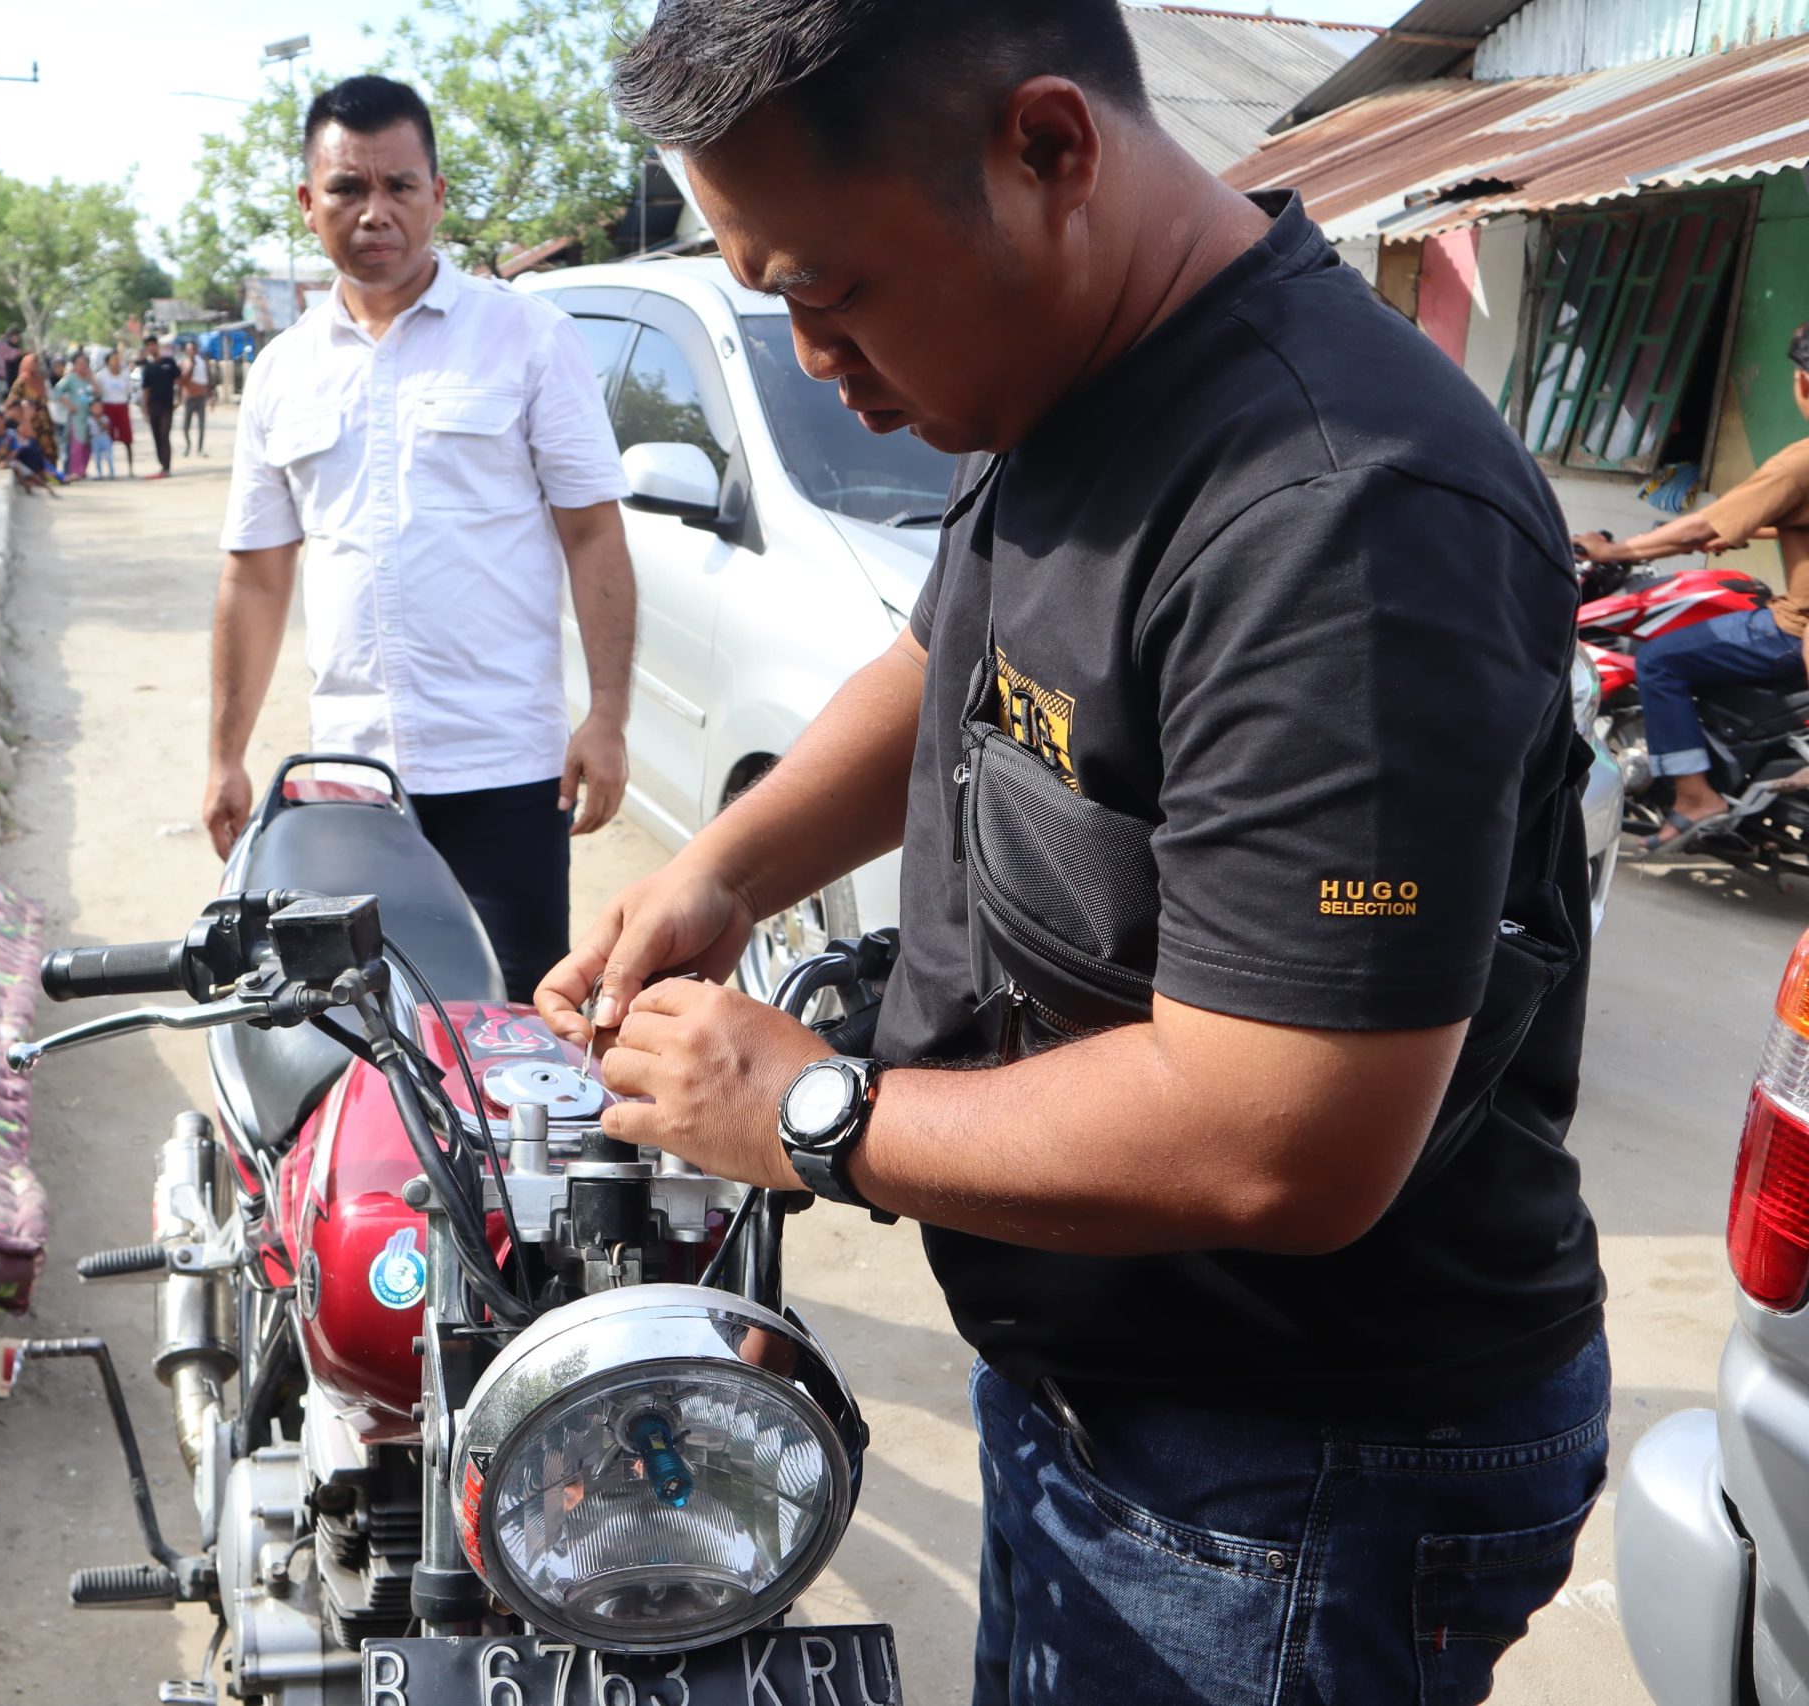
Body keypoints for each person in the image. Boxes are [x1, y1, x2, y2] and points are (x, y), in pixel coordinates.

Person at [539, 7, 1607, 1702]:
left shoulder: (1341, 513)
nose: (813, 356)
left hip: (1286, 1466)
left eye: (831, 290)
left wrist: (807, 1111)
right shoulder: (1068, 367)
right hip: (1107, 1381)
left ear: (1048, 149)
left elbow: (1284, 1133)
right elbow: (949, 657)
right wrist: (726, 866)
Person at [208, 75, 638, 1003]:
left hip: (506, 769)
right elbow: (256, 576)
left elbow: (593, 534)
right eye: (347, 188)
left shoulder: (527, 339)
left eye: (400, 186)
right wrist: (225, 754)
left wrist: (606, 716)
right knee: (364, 1027)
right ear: (308, 202)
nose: (376, 212)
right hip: (350, 779)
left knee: (512, 1025)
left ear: (436, 195)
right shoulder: (281, 373)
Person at [1573, 325, 1809, 854]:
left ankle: (1696, 795)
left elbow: (1700, 527)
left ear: (1803, 383)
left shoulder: (1801, 460)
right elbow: (1785, 517)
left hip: (1795, 627)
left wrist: (1614, 551)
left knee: (1660, 660)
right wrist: (1741, 527)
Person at [4, 351, 60, 479]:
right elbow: (12, 401)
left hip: (45, 421)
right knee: (36, 448)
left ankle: (51, 474)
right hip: (31, 422)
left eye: (36, 363)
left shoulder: (40, 379)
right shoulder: (22, 381)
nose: (34, 365)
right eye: (32, 363)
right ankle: (38, 474)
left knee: (49, 446)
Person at [136, 334, 181, 479]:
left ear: (157, 345)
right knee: (156, 436)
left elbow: (178, 381)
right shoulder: (148, 367)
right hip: (153, 406)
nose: (151, 347)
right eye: (148, 345)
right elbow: (146, 390)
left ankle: (167, 467)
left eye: (153, 344)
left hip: (167, 405)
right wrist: (144, 409)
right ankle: (162, 464)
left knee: (164, 434)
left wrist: (179, 398)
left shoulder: (169, 362)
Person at [56, 351, 101, 481]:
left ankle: (82, 470)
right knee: (77, 444)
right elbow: (56, 391)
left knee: (87, 444)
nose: (82, 366)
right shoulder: (70, 379)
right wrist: (69, 405)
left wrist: (92, 379)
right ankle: (74, 471)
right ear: (74, 365)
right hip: (76, 417)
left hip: (90, 417)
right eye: (79, 363)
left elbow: (99, 393)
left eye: (84, 363)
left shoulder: (89, 379)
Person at [96, 349, 133, 479]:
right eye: (113, 359)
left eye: (118, 359)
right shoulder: (101, 376)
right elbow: (98, 392)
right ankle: (109, 470)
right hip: (108, 407)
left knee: (127, 439)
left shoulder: (125, 375)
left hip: (122, 406)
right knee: (108, 439)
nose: (116, 362)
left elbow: (129, 392)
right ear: (108, 362)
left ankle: (130, 469)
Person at [180, 338, 213, 456]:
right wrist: (191, 367)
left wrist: (210, 397)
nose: (191, 351)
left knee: (201, 425)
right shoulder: (184, 363)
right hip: (189, 398)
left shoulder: (202, 363)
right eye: (189, 349)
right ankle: (188, 445)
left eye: (193, 349)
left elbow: (207, 381)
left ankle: (200, 449)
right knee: (185, 426)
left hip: (200, 398)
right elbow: (182, 381)